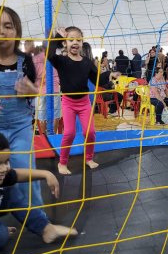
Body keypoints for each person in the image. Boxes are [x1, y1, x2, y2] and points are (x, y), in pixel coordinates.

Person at [0, 6, 74, 244]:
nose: (2, 31)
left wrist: (31, 90)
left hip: (19, 127)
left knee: (24, 167)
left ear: (17, 31)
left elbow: (34, 90)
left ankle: (39, 220)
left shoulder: (25, 61)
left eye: (8, 26)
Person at [48, 26, 120, 175]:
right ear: (65, 43)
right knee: (69, 133)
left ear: (82, 43)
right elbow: (49, 54)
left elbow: (98, 79)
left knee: (90, 132)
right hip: (68, 102)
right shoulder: (61, 61)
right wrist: (58, 37)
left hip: (84, 102)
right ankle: (62, 162)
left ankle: (89, 158)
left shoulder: (86, 62)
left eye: (78, 40)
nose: (75, 42)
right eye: (71, 40)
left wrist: (110, 75)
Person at [32, 45, 61, 134]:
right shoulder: (54, 57)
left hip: (40, 90)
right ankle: (53, 135)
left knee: (42, 115)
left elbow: (33, 76)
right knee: (55, 114)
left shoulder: (34, 59)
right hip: (54, 89)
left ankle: (44, 136)